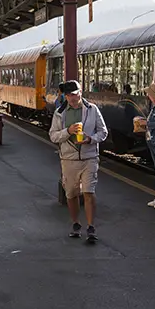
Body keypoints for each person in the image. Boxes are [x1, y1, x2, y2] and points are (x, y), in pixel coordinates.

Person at [50, 80, 107, 244]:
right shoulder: (60, 113)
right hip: (69, 159)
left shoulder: (92, 110)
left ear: (81, 92)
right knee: (71, 193)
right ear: (65, 96)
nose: (72, 98)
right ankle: (75, 223)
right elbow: (53, 136)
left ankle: (91, 227)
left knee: (89, 191)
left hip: (89, 157)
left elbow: (103, 132)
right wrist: (68, 131)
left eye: (75, 94)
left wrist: (90, 139)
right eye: (69, 95)